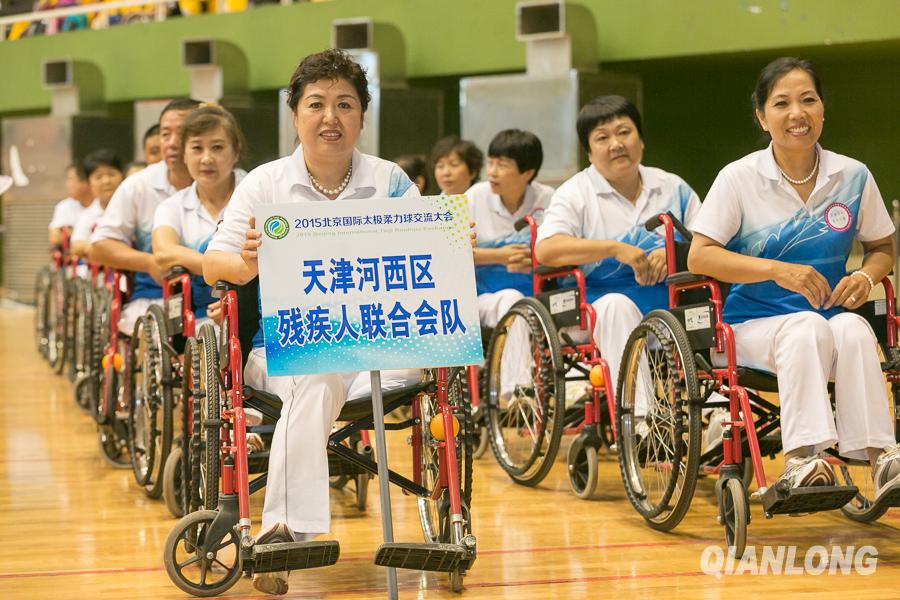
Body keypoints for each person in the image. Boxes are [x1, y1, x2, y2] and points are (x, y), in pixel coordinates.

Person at [203, 49, 421, 596]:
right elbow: (213, 261)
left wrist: (448, 243)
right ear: (295, 114)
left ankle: (281, 533)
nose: (331, 117)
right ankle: (287, 529)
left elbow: (427, 262)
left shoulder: (391, 182)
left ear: (362, 116)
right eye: (316, 104)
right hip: (283, 348)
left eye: (345, 104)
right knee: (320, 369)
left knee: (331, 365)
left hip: (383, 346)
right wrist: (246, 263)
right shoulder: (264, 185)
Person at [687, 57, 900, 494]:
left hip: (824, 317)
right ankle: (802, 459)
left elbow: (882, 249)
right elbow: (700, 256)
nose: (797, 113)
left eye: (808, 100)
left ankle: (882, 460)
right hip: (751, 327)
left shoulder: (853, 175)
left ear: (823, 110)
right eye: (781, 103)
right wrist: (775, 270)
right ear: (762, 118)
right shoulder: (739, 178)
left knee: (856, 329)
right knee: (806, 328)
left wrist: (865, 278)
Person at [534, 95, 701, 412]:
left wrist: (676, 255)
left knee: (715, 314)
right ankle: (639, 421)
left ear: (641, 139)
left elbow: (710, 241)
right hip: (599, 306)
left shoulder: (673, 187)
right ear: (589, 152)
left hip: (669, 303)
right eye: (602, 138)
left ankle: (720, 422)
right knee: (617, 306)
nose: (616, 144)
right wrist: (614, 248)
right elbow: (546, 249)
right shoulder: (575, 193)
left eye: (624, 132)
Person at [89, 98, 200, 335]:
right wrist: (148, 263)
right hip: (154, 295)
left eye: (180, 133)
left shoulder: (232, 182)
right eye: (164, 134)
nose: (170, 143)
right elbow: (99, 245)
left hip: (212, 297)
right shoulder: (138, 186)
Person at [153, 105, 246, 326]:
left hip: (252, 313)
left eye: (217, 147)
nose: (206, 159)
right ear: (184, 155)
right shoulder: (172, 206)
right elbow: (163, 252)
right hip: (197, 318)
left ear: (236, 151)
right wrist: (222, 267)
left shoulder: (258, 193)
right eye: (196, 148)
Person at [469, 129, 553, 328]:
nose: (492, 172)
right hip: (485, 297)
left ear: (528, 173)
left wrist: (537, 260)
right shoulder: (474, 197)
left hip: (540, 294)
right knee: (512, 300)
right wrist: (498, 256)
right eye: (490, 162)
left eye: (502, 165)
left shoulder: (548, 198)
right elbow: (450, 253)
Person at [70, 149, 124, 259]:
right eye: (98, 177)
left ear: (122, 176)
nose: (106, 181)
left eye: (111, 174)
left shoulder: (134, 207)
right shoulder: (87, 216)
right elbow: (77, 245)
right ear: (89, 183)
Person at [48, 163, 92, 247]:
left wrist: (69, 231)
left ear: (85, 182)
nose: (67, 184)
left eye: (71, 179)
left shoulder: (102, 205)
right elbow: (55, 238)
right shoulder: (64, 206)